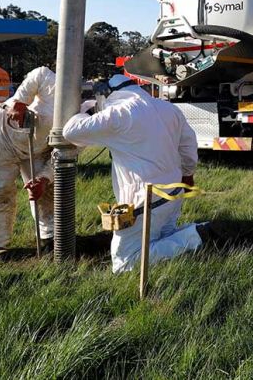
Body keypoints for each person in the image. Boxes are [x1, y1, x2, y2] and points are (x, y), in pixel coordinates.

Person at [63, 74, 206, 272]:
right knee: (164, 237)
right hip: (174, 191)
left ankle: (198, 235)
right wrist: (188, 174)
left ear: (107, 95)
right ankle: (190, 242)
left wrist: (85, 111)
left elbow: (71, 131)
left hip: (145, 199)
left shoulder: (120, 113)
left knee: (125, 262)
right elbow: (188, 146)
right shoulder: (168, 108)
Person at [0, 66, 56, 261]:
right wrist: (20, 101)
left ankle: (50, 237)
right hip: (2, 135)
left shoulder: (86, 130)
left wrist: (44, 178)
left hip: (38, 148)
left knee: (46, 192)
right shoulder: (56, 88)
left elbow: (61, 158)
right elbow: (40, 73)